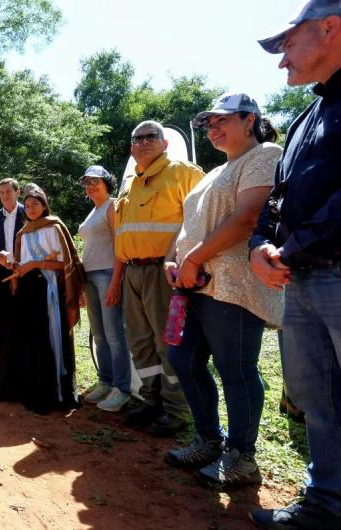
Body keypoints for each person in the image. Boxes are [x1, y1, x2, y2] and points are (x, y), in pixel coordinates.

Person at [249, 3, 341, 527]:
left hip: (327, 268)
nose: (282, 61)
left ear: (329, 27)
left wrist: (294, 248)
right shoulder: (307, 115)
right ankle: (325, 505)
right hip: (299, 275)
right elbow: (277, 197)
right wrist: (260, 243)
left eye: (287, 43)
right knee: (315, 398)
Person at [162, 93, 283, 489]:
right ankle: (209, 441)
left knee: (236, 369)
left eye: (221, 121)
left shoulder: (264, 154)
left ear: (249, 120)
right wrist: (173, 259)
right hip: (194, 285)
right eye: (209, 124)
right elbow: (189, 223)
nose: (213, 129)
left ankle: (242, 457)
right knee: (183, 360)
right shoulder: (215, 172)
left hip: (234, 284)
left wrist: (193, 259)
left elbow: (248, 217)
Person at [115, 120, 204, 437]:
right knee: (140, 343)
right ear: (131, 148)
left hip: (163, 273)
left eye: (151, 136)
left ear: (165, 143)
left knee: (168, 343)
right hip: (132, 272)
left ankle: (176, 410)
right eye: (138, 138)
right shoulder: (129, 183)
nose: (144, 142)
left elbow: (200, 219)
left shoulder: (184, 172)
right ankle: (150, 399)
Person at [0, 185, 84, 414]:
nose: (31, 209)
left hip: (47, 289)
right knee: (27, 340)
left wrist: (34, 265)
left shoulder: (54, 227)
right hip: (26, 292)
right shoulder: (24, 232)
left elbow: (65, 264)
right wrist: (9, 262)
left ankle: (50, 392)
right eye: (28, 205)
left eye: (35, 205)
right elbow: (21, 263)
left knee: (45, 338)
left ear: (44, 205)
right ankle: (27, 389)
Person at [78, 165, 132, 412]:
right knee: (98, 335)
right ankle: (105, 382)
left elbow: (120, 244)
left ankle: (122, 389)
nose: (91, 186)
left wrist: (116, 281)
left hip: (108, 274)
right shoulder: (93, 210)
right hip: (90, 276)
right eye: (87, 182)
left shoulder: (112, 206)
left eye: (95, 181)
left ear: (106, 182)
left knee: (114, 334)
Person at [0, 178, 25, 382]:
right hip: (2, 276)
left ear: (18, 192)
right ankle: (0, 368)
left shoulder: (30, 213)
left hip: (26, 275)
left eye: (8, 191)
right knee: (2, 320)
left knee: (24, 320)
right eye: (1, 192)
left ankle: (25, 367)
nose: (5, 196)